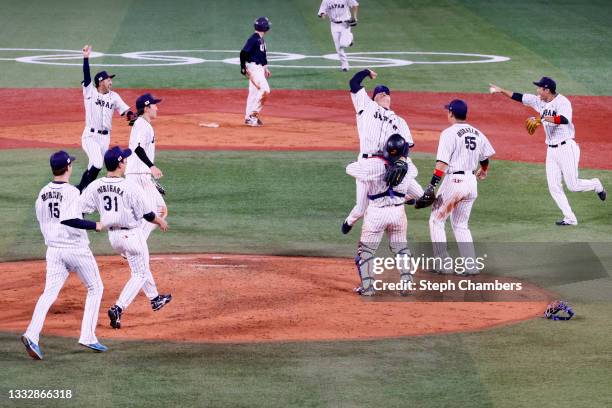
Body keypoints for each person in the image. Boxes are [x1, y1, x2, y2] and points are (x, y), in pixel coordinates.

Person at [22, 151, 106, 360]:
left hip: (54, 251)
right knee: (95, 288)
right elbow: (69, 219)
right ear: (68, 167)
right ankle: (87, 335)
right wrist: (95, 225)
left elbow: (48, 219)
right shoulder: (71, 192)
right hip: (75, 249)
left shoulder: (41, 194)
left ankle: (32, 334)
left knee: (48, 294)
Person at [75, 146, 171, 330]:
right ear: (119, 163)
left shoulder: (95, 186)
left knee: (140, 265)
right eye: (124, 160)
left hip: (114, 238)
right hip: (132, 235)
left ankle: (155, 298)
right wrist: (160, 221)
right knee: (139, 273)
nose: (126, 162)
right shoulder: (129, 186)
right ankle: (118, 307)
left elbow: (80, 208)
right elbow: (147, 214)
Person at [490, 77, 606, 225]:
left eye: (540, 88)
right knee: (553, 186)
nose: (537, 90)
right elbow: (519, 97)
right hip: (551, 151)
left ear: (547, 90)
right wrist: (500, 90)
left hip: (566, 148)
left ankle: (596, 184)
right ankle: (570, 218)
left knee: (573, 185)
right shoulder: (539, 100)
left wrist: (543, 118)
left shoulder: (563, 102)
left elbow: (564, 119)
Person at [416, 100, 495, 274]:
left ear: (451, 113)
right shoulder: (478, 133)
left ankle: (443, 264)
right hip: (471, 184)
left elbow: (442, 163)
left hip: (455, 182)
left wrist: (431, 186)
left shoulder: (449, 133)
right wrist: (483, 170)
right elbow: (484, 157)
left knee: (436, 220)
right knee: (460, 224)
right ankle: (471, 266)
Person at [342, 68, 423, 235]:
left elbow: (406, 145)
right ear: (374, 97)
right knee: (360, 208)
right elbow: (354, 83)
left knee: (422, 195)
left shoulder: (400, 121)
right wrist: (366, 72)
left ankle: (407, 198)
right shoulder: (367, 106)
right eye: (380, 93)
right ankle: (349, 221)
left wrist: (401, 160)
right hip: (368, 162)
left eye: (387, 93)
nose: (384, 94)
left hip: (391, 163)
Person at [353, 134, 414, 296]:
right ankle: (406, 282)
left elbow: (349, 168)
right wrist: (409, 199)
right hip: (398, 213)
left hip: (376, 214)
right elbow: (416, 193)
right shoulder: (410, 168)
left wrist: (372, 163)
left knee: (366, 251)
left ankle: (367, 287)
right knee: (401, 248)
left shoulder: (372, 165)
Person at [77, 44, 135, 192]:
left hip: (105, 138)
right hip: (90, 135)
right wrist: (86, 57)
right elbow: (86, 75)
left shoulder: (113, 96)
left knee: (93, 166)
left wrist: (132, 116)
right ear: (101, 81)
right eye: (108, 80)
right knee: (96, 164)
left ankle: (80, 190)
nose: (111, 82)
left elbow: (125, 110)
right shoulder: (90, 92)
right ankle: (81, 190)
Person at [126, 93, 167, 240]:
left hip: (139, 175)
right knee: (158, 211)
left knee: (154, 211)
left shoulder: (141, 124)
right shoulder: (143, 126)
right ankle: (135, 243)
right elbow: (138, 148)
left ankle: (134, 242)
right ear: (146, 108)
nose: (157, 108)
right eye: (154, 105)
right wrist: (152, 167)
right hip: (139, 175)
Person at [240, 17, 272, 127]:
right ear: (265, 27)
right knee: (265, 90)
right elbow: (243, 53)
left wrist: (265, 68)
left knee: (253, 93)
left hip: (258, 68)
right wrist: (243, 68)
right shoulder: (254, 39)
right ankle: (253, 116)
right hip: (253, 68)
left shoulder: (260, 38)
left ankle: (248, 117)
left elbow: (262, 56)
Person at [318, 0, 359, 71]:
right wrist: (322, 15)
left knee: (344, 44)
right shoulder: (326, 1)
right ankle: (345, 66)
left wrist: (355, 17)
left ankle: (350, 38)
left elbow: (355, 5)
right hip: (334, 25)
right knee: (338, 47)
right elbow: (321, 12)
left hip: (345, 23)